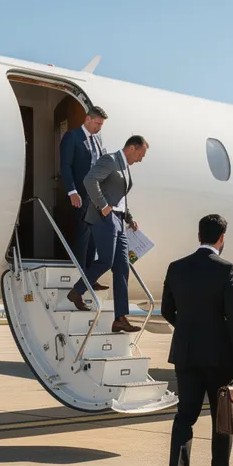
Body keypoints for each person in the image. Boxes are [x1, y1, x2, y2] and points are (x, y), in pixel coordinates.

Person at [160, 214, 233, 466]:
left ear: (199, 235)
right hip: (219, 356)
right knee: (221, 421)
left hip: (185, 354)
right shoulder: (228, 270)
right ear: (221, 238)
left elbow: (166, 310)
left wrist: (187, 330)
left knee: (185, 416)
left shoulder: (177, 267)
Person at [66, 135, 147, 334]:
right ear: (131, 148)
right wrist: (102, 206)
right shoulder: (110, 160)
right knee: (106, 261)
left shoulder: (125, 167)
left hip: (118, 220)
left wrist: (128, 218)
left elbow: (119, 197)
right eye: (140, 154)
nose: (141, 159)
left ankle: (120, 318)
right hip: (105, 218)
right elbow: (89, 180)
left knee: (122, 268)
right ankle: (77, 291)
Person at [58, 106, 108, 281]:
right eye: (97, 123)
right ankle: (79, 278)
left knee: (94, 236)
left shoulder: (98, 140)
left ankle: (89, 278)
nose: (99, 128)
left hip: (96, 195)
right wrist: (72, 190)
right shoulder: (72, 137)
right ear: (87, 119)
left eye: (101, 125)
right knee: (82, 235)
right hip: (80, 193)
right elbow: (65, 165)